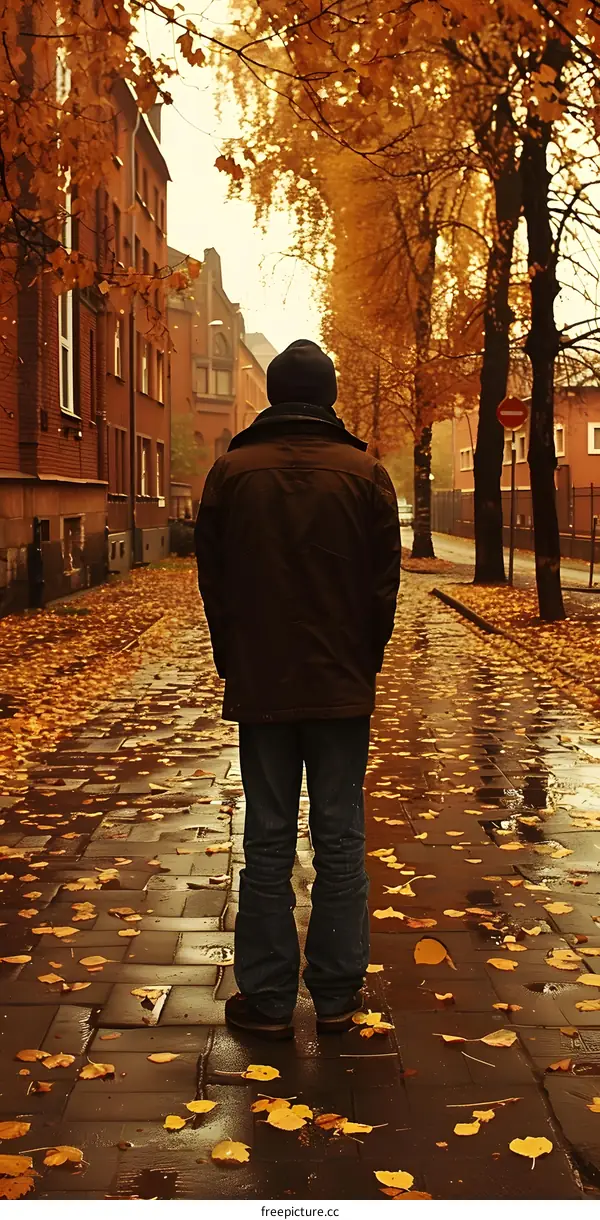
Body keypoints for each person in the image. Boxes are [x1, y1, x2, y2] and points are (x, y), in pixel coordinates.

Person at [195, 339, 401, 1041]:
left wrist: (236, 660)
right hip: (341, 688)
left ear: (275, 396)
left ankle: (269, 997)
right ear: (331, 397)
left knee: (269, 834)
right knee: (341, 836)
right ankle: (339, 995)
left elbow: (214, 585)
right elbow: (382, 590)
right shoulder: (366, 474)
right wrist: (361, 663)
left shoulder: (230, 474)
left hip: (263, 687)